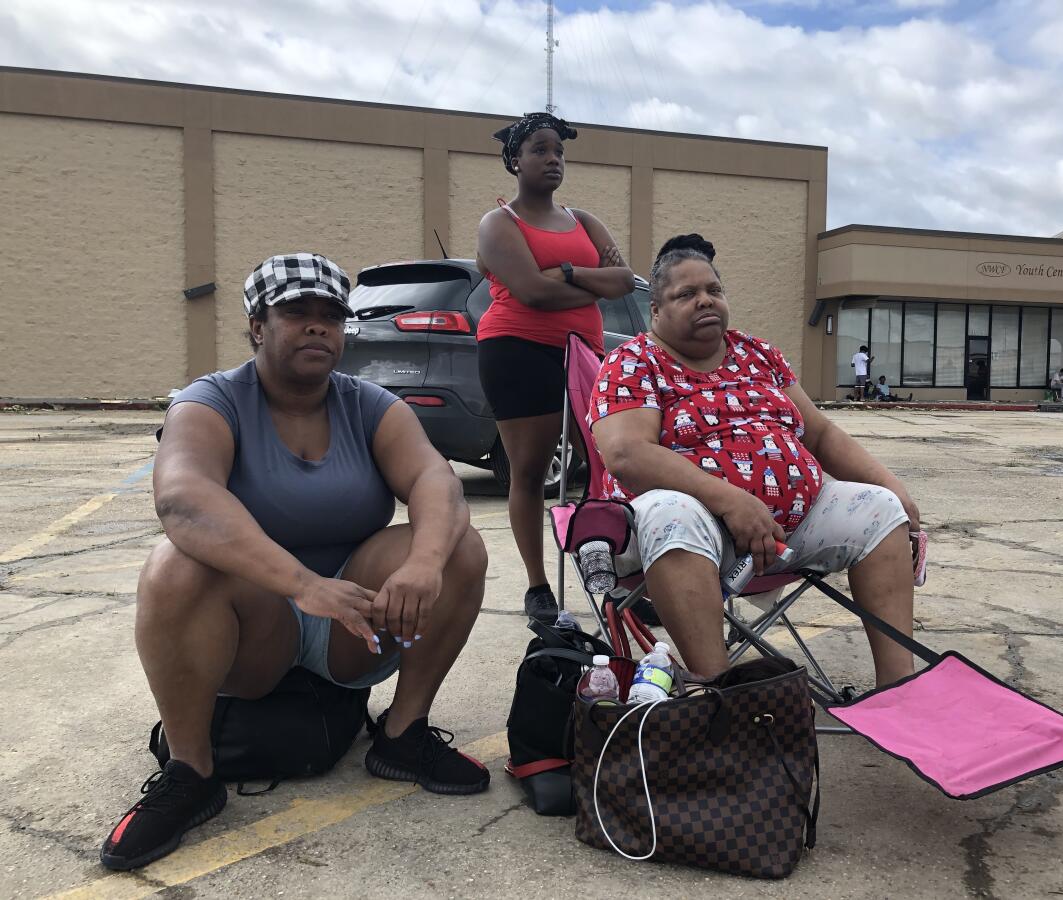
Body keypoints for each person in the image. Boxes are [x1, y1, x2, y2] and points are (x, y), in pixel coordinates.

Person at [100, 254, 490, 872]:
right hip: (259, 620)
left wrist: (425, 562)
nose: (317, 328)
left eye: (331, 316)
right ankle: (191, 773)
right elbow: (183, 498)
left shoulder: (369, 404)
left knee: (459, 547)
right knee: (174, 562)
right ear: (258, 326)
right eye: (297, 314)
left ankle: (401, 737)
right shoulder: (213, 399)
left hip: (352, 620)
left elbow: (434, 481)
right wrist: (302, 584)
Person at [589, 235, 921, 687]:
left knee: (882, 511)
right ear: (656, 310)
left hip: (791, 525)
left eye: (713, 290)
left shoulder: (758, 354)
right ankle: (720, 695)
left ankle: (899, 688)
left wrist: (893, 488)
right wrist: (730, 501)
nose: (704, 300)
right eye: (685, 294)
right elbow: (627, 452)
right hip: (694, 528)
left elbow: (821, 434)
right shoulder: (633, 361)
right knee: (671, 514)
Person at [475, 112, 634, 623]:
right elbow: (531, 292)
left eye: (559, 152)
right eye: (540, 150)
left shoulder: (583, 220)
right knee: (530, 470)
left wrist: (565, 269)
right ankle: (538, 585)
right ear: (515, 160)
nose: (552, 159)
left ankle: (619, 578)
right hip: (517, 351)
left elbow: (625, 279)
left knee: (608, 465)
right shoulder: (499, 224)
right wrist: (591, 281)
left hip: (584, 354)